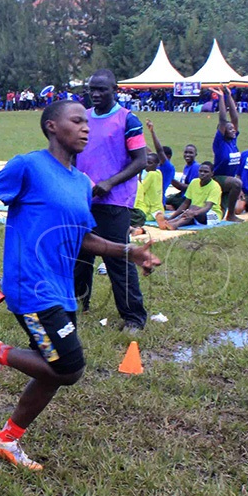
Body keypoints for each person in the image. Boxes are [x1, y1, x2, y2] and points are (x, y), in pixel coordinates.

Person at [0, 100, 161, 471]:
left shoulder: (80, 184)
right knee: (69, 367)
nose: (86, 128)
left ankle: (6, 440)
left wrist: (128, 251)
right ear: (52, 126)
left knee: (53, 367)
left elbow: (83, 237)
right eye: (77, 121)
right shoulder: (29, 166)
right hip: (31, 285)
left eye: (87, 122)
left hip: (61, 287)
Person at [72, 69, 149, 331]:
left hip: (115, 201)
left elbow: (140, 160)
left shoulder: (128, 120)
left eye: (102, 89)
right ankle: (78, 303)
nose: (95, 93)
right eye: (92, 88)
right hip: (84, 199)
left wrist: (110, 183)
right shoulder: (83, 117)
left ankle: (134, 317)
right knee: (81, 255)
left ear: (115, 89)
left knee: (118, 259)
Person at [209, 85, 243, 221]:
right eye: (229, 129)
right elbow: (223, 119)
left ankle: (226, 213)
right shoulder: (220, 142)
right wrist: (221, 98)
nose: (233, 130)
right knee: (237, 183)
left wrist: (229, 95)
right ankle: (232, 215)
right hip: (219, 179)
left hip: (228, 183)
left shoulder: (233, 141)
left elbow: (235, 118)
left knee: (216, 216)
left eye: (233, 129)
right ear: (223, 131)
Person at [156, 161, 222, 230]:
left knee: (192, 211)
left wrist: (193, 213)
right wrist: (172, 216)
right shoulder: (194, 182)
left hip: (211, 214)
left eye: (206, 172)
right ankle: (169, 222)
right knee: (189, 212)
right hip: (193, 212)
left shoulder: (215, 187)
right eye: (200, 171)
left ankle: (173, 224)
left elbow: (207, 207)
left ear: (212, 173)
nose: (202, 173)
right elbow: (185, 203)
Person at [130, 152, 163, 233]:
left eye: (150, 163)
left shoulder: (150, 175)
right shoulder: (158, 173)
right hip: (158, 207)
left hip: (148, 209)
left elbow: (142, 188)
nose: (147, 165)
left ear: (157, 164)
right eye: (146, 162)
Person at [166, 144, 199, 209]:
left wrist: (170, 178)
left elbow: (190, 187)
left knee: (163, 204)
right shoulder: (186, 167)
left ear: (195, 154)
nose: (187, 155)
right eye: (186, 152)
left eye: (191, 153)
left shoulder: (195, 167)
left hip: (186, 199)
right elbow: (181, 186)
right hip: (181, 195)